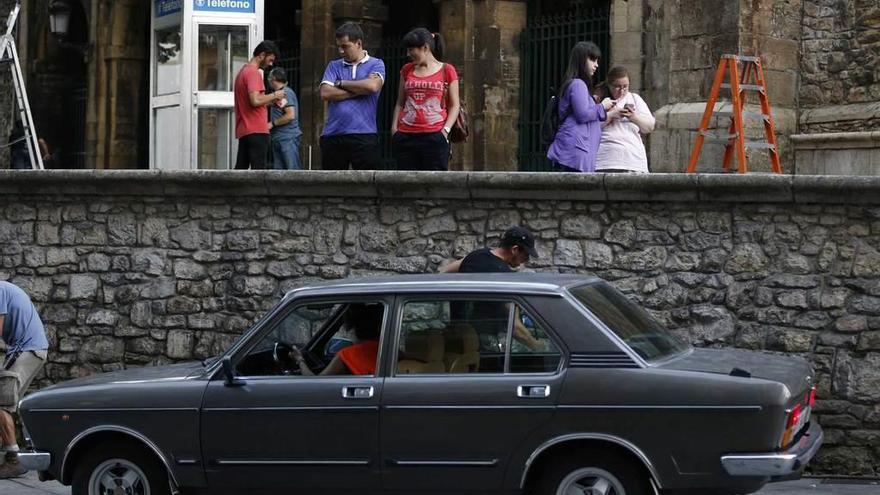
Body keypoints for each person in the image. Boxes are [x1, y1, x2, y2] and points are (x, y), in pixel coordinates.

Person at [439, 227, 543, 350]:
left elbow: (443, 271)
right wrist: (537, 346)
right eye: (525, 256)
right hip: (482, 345)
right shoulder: (503, 276)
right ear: (515, 249)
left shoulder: (476, 256)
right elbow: (515, 328)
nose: (524, 261)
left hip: (457, 338)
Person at [391, 28, 460, 171]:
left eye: (411, 49)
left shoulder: (447, 70)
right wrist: (394, 129)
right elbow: (400, 102)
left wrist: (445, 131)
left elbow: (455, 105)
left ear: (425, 47)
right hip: (405, 135)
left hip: (435, 135)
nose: (408, 54)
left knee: (435, 184)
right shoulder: (406, 70)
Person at [319, 23, 386, 170]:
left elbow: (372, 86)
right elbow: (325, 93)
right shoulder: (333, 65)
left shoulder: (376, 64)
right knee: (331, 186)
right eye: (338, 46)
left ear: (359, 43)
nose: (340, 51)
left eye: (345, 46)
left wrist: (340, 83)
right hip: (333, 134)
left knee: (367, 185)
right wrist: (359, 89)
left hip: (364, 134)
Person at [0, 281, 48, 479]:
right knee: (7, 405)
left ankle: (14, 460)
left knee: (1, 404)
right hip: (29, 349)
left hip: (27, 349)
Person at [547, 41, 616, 173]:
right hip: (574, 152)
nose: (596, 65)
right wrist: (602, 106)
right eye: (592, 59)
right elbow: (583, 114)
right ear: (580, 59)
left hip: (576, 151)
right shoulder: (578, 84)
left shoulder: (575, 84)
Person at [234, 40, 285, 170]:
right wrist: (275, 95)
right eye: (270, 59)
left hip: (245, 129)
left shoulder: (242, 73)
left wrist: (269, 102)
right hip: (257, 129)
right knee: (259, 171)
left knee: (241, 170)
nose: (271, 63)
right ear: (262, 55)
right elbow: (255, 100)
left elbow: (253, 102)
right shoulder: (253, 73)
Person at [292, 304, 383, 376]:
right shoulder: (389, 352)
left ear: (355, 327)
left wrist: (300, 360)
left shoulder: (348, 354)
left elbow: (315, 384)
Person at [595, 66, 656, 173]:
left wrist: (633, 117)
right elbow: (591, 128)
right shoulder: (601, 100)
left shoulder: (634, 98)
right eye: (617, 87)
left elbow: (649, 127)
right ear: (609, 85)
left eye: (625, 87)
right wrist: (611, 115)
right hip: (606, 159)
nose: (622, 91)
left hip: (633, 161)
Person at [267, 68, 303, 170]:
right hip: (279, 138)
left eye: (269, 77)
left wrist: (272, 123)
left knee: (292, 171)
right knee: (280, 173)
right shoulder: (280, 93)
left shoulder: (286, 93)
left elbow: (290, 115)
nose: (268, 80)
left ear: (273, 78)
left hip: (287, 138)